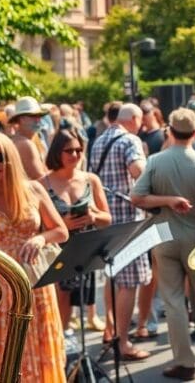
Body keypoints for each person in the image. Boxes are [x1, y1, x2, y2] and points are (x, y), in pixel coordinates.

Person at [0, 132, 68, 383]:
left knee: (38, 350)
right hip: (0, 287)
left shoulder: (34, 189)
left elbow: (61, 232)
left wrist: (40, 238)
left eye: (0, 157)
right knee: (3, 357)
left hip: (35, 284)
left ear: (12, 158)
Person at [131, 108, 195, 381]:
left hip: (164, 235)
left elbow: (136, 197)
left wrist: (167, 200)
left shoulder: (155, 161)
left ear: (170, 131)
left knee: (173, 301)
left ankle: (184, 362)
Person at [89, 102, 151, 361]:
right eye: (141, 120)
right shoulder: (130, 140)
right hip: (127, 219)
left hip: (105, 219)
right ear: (134, 118)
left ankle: (110, 330)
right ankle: (123, 342)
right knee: (129, 283)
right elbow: (140, 172)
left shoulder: (100, 140)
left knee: (112, 277)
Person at [39, 125, 112, 332]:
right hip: (54, 252)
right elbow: (34, 226)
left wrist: (93, 216)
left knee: (77, 305)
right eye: (69, 150)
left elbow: (107, 219)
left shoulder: (91, 180)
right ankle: (59, 350)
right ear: (56, 152)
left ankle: (69, 351)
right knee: (57, 306)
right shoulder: (42, 184)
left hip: (84, 250)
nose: (75, 155)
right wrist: (62, 225)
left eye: (79, 150)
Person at [9, 96, 50, 180]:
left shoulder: (34, 139)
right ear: (22, 119)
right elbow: (40, 177)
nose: (38, 120)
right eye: (33, 116)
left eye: (39, 116)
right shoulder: (24, 143)